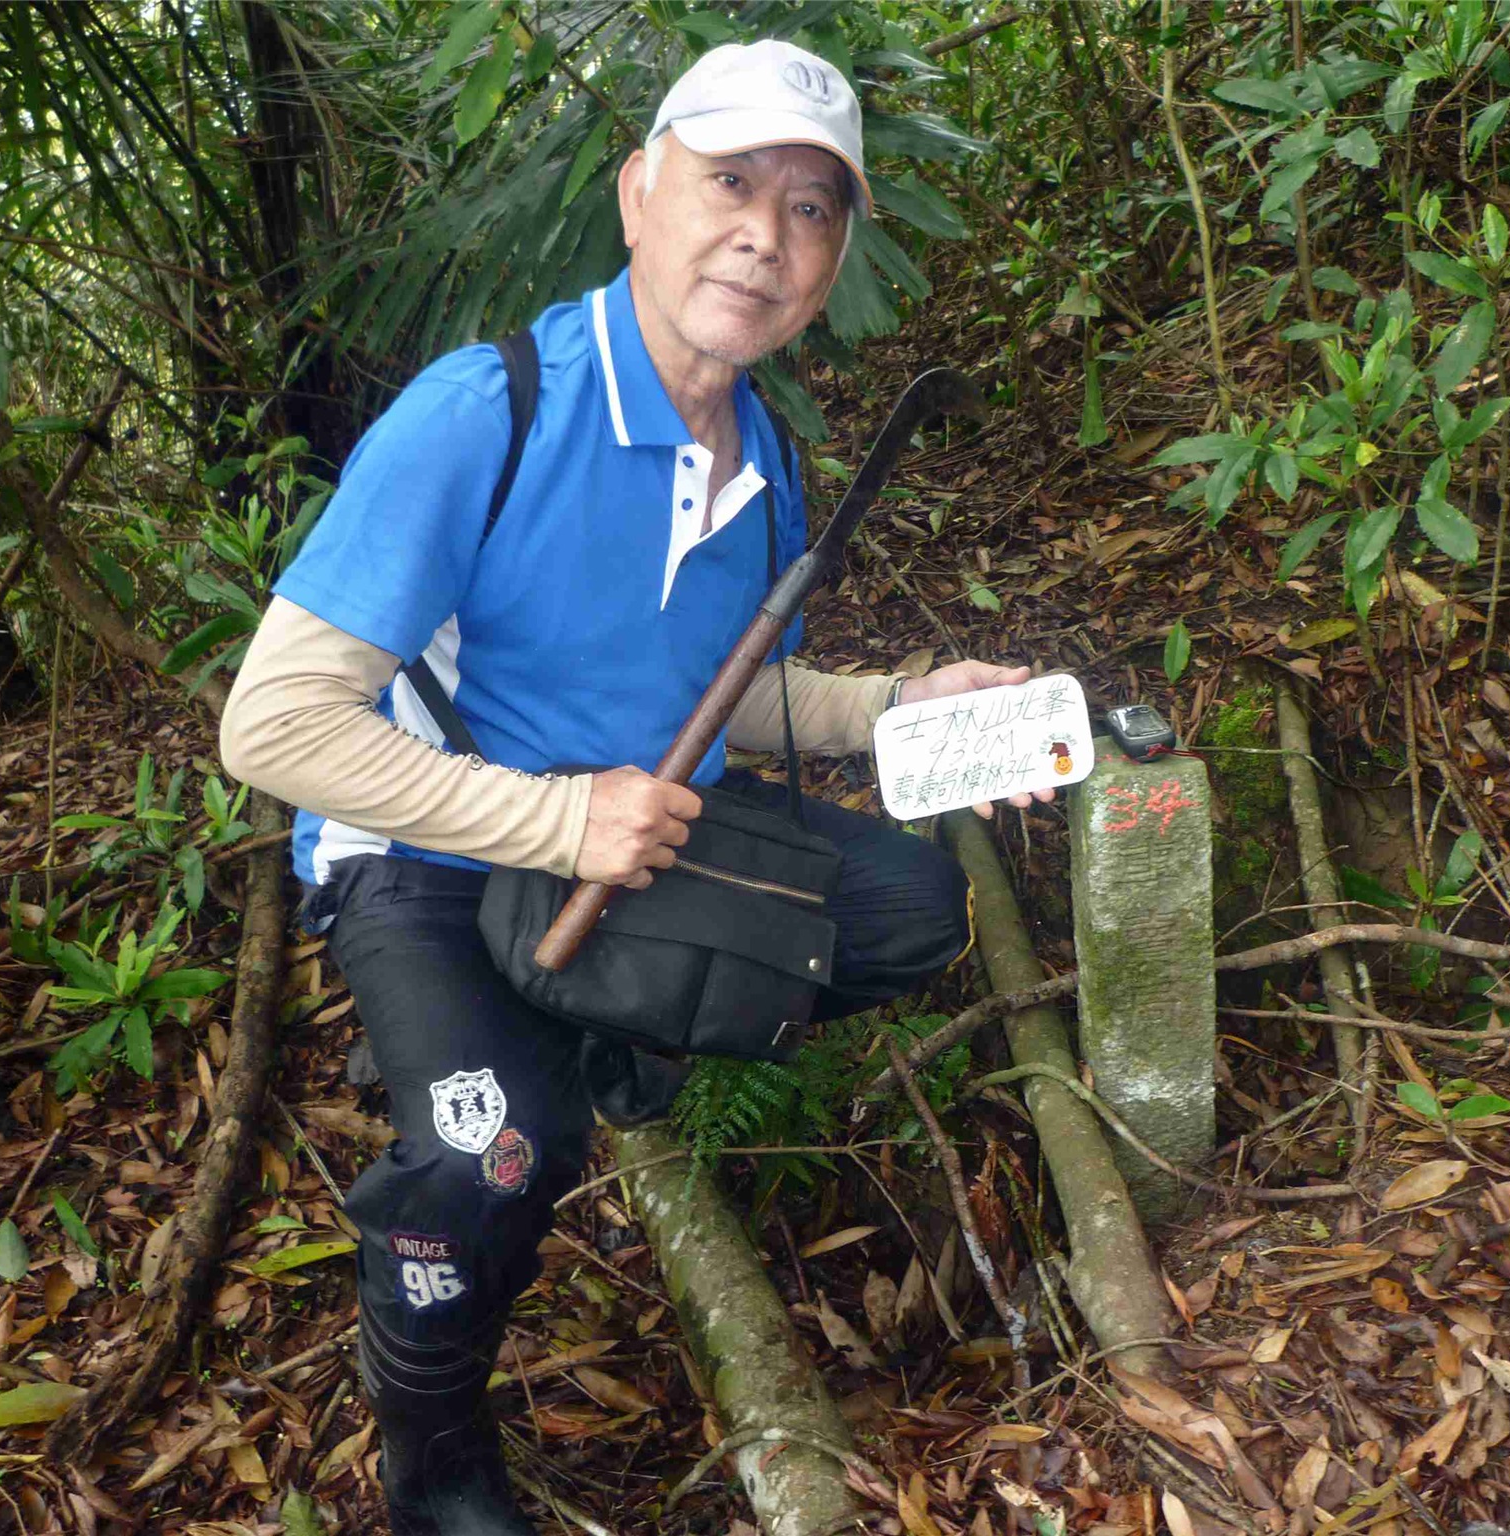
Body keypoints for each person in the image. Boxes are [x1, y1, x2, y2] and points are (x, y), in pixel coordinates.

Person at [221, 39, 1046, 1536]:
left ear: (832, 263)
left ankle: (598, 1021)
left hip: (638, 831)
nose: (765, 235)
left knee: (914, 909)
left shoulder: (766, 463)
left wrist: (897, 705)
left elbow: (733, 696)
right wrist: (559, 819)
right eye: (730, 183)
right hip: (430, 851)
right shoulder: (489, 412)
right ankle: (435, 1458)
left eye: (810, 209)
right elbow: (274, 726)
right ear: (637, 194)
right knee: (491, 1156)